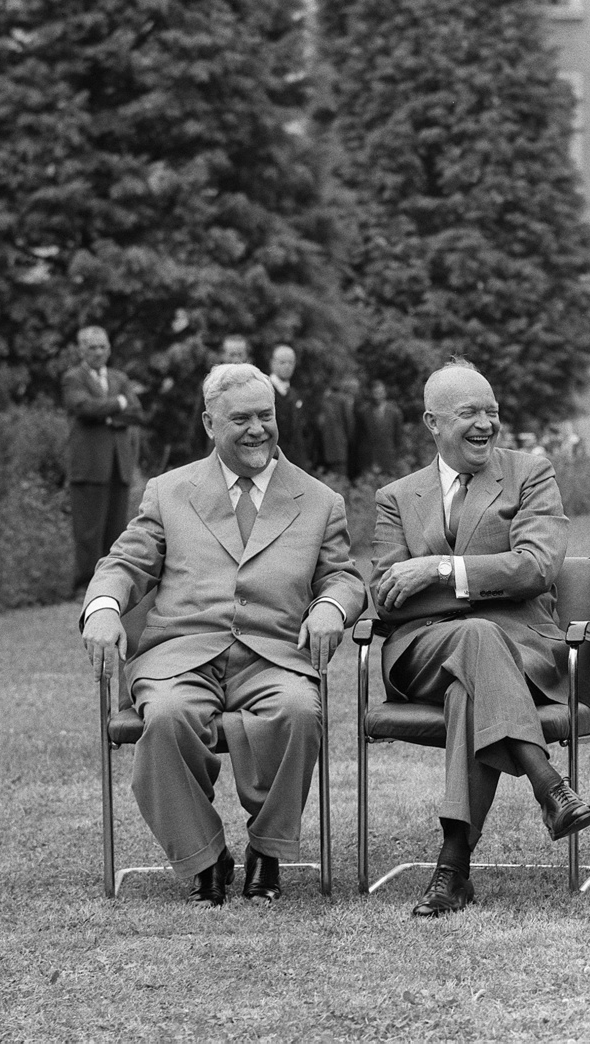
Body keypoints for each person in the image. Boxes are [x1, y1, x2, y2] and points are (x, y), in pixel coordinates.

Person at [80, 363, 366, 907]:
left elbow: (342, 577)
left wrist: (330, 606)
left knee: (299, 710)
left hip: (274, 655)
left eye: (266, 415)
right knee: (164, 716)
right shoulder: (169, 492)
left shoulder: (320, 500)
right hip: (183, 655)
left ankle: (267, 850)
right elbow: (126, 561)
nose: (258, 429)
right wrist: (103, 606)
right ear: (210, 423)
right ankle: (205, 858)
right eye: (241, 419)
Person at [371, 360, 590, 918]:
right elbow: (387, 592)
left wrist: (439, 572)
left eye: (492, 412)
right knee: (476, 632)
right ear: (432, 422)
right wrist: (484, 582)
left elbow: (538, 567)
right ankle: (547, 783)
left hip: (519, 654)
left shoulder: (530, 474)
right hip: (419, 653)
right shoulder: (396, 497)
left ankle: (452, 869)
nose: (486, 424)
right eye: (469, 412)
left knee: (466, 692)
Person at [63, 325, 145, 593]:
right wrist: (118, 404)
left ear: (109, 349)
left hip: (118, 464)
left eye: (102, 347)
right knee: (88, 531)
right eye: (91, 347)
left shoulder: (119, 377)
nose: (98, 352)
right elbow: (82, 407)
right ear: (81, 350)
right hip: (88, 466)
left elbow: (136, 413)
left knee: (116, 531)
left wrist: (107, 414)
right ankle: (84, 585)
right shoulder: (73, 378)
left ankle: (111, 585)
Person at [269, 344, 312, 469]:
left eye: (290, 362)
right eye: (282, 362)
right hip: (272, 461)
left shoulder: (295, 394)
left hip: (295, 463)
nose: (287, 366)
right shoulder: (265, 391)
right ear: (272, 363)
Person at [357, 379, 404, 474]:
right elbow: (358, 437)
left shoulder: (395, 412)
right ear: (370, 393)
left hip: (388, 457)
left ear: (385, 393)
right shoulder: (363, 412)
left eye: (380, 392)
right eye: (375, 393)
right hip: (368, 458)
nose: (377, 395)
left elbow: (398, 438)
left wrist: (397, 457)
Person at [317, 375, 360, 478]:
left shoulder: (326, 399)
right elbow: (348, 423)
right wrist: (351, 440)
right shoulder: (342, 400)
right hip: (340, 446)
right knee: (340, 476)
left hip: (328, 446)